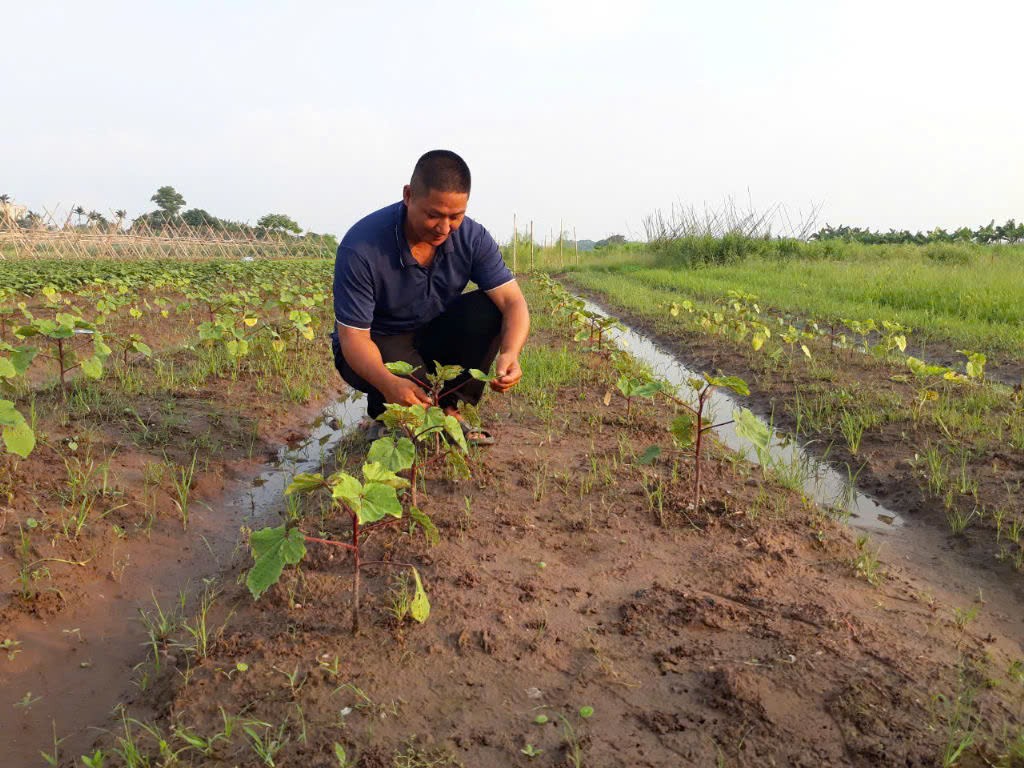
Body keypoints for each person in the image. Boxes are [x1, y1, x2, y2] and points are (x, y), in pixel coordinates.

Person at [331, 149, 530, 443]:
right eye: (433, 215)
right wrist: (388, 383)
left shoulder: (472, 238)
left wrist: (510, 353)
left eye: (456, 216)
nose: (444, 228)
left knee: (488, 309)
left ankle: (450, 408)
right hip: (380, 340)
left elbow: (513, 302)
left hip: (431, 330)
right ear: (408, 195)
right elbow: (354, 338)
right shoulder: (362, 248)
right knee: (405, 391)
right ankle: (386, 412)